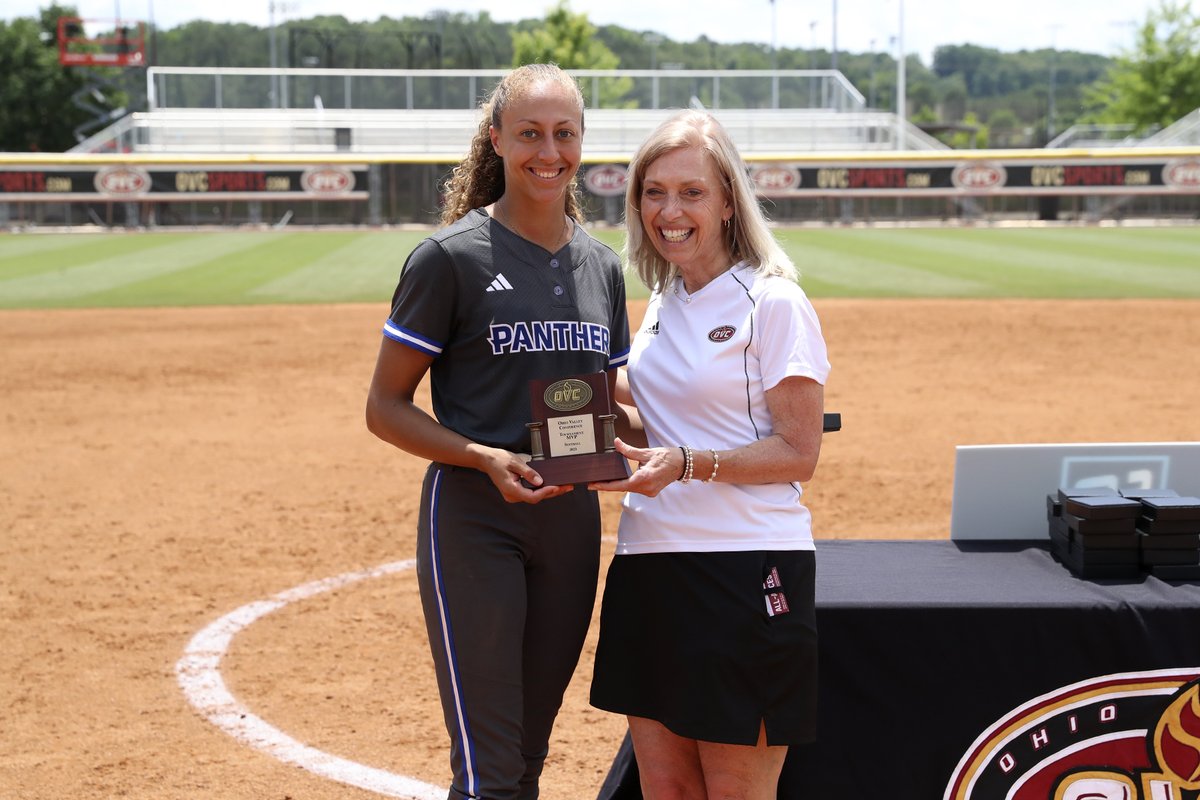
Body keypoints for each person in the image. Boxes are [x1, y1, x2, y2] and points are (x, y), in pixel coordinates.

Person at [365, 63, 631, 800]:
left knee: (525, 759)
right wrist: (481, 455)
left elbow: (613, 399)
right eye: (530, 134)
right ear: (497, 140)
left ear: (583, 141)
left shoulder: (601, 266)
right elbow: (384, 406)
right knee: (489, 770)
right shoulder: (450, 258)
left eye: (565, 133)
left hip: (571, 522)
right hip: (476, 518)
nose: (550, 152)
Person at [588, 109, 831, 800]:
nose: (671, 210)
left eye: (692, 192)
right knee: (665, 788)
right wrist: (586, 420)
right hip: (648, 564)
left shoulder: (773, 301)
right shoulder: (664, 301)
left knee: (735, 792)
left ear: (729, 201)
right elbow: (659, 413)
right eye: (654, 191)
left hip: (744, 570)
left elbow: (797, 450)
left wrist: (689, 463)